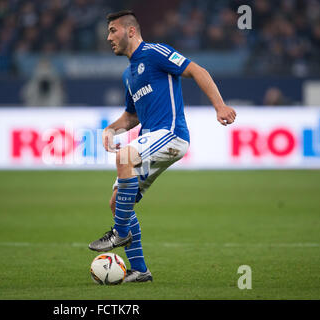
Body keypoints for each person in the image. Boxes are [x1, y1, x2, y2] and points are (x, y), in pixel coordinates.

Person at [88, 10, 237, 282]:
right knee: (118, 202)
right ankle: (140, 270)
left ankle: (120, 233)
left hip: (170, 133)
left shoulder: (155, 52)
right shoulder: (128, 75)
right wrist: (111, 129)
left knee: (124, 157)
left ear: (131, 31)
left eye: (113, 31)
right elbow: (132, 116)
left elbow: (196, 70)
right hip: (153, 138)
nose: (108, 37)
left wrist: (220, 106)